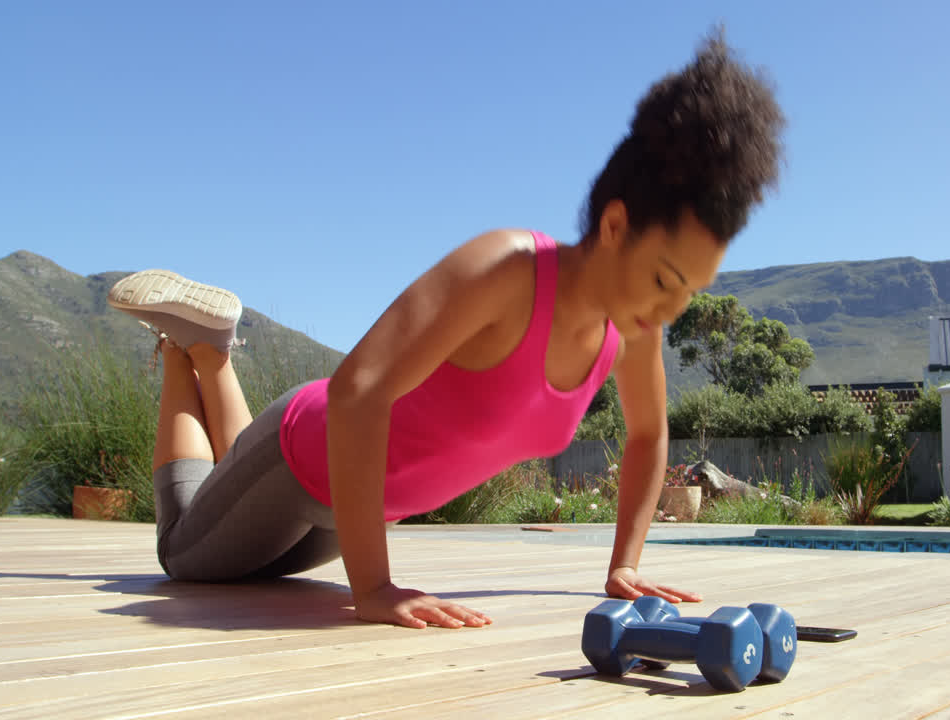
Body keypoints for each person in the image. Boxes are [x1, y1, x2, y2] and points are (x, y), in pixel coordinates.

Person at [107, 29, 785, 630]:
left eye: (689, 293)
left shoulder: (633, 326)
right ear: (615, 227)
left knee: (253, 562)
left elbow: (647, 434)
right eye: (666, 279)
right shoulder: (508, 271)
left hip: (355, 507)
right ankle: (182, 350)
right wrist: (372, 588)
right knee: (183, 553)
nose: (670, 310)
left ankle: (216, 353)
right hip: (305, 460)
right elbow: (356, 391)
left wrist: (624, 565)